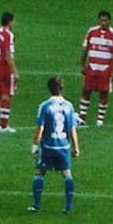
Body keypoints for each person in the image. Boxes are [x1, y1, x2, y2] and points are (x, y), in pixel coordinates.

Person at [29, 76, 81, 213]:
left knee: (39, 173)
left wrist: (35, 146)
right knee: (67, 174)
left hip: (48, 147)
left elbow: (40, 128)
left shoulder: (45, 106)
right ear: (62, 88)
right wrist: (76, 147)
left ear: (49, 89)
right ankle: (68, 207)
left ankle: (36, 205)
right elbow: (72, 129)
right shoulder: (69, 106)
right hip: (63, 146)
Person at [79, 10, 113, 127]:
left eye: (105, 21)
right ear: (99, 20)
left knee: (104, 92)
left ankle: (100, 119)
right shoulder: (92, 32)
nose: (103, 23)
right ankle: (82, 117)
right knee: (86, 90)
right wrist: (82, 64)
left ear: (109, 21)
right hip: (92, 67)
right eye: (101, 20)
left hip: (105, 68)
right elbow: (85, 49)